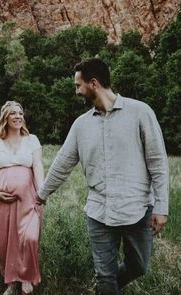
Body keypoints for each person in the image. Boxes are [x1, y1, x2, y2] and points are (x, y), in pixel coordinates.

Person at [36, 58, 169, 295]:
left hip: (138, 209)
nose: (76, 91)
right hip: (99, 212)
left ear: (94, 83)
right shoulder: (80, 126)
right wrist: (42, 194)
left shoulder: (141, 112)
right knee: (104, 274)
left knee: (139, 267)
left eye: (79, 85)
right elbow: (62, 163)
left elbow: (158, 163)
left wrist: (161, 206)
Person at [0, 101, 44, 295]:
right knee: (3, 242)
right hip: (1, 200)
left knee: (30, 237)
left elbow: (38, 166)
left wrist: (42, 191)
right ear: (5, 118)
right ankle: (11, 280)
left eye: (20, 113)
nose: (18, 116)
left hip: (28, 198)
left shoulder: (32, 139)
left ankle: (26, 276)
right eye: (13, 114)